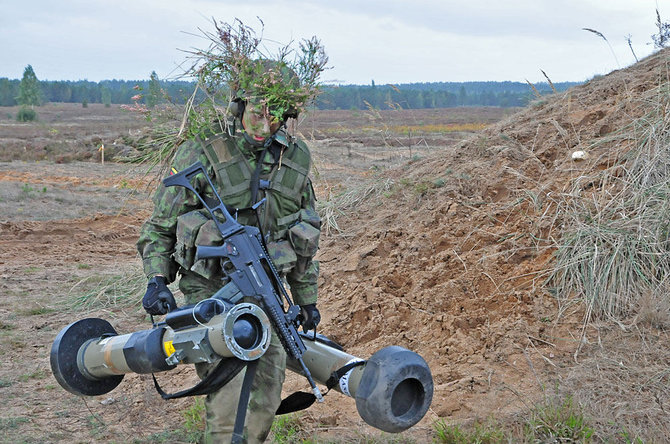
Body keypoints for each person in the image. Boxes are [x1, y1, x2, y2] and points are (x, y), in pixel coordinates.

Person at [136, 58, 322, 443]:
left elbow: (303, 235)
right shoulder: (202, 149)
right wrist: (157, 280)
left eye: (274, 117)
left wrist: (306, 300)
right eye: (257, 113)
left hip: (265, 290)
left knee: (266, 395)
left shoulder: (295, 158)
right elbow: (161, 224)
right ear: (239, 107)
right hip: (211, 291)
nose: (263, 125)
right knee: (229, 394)